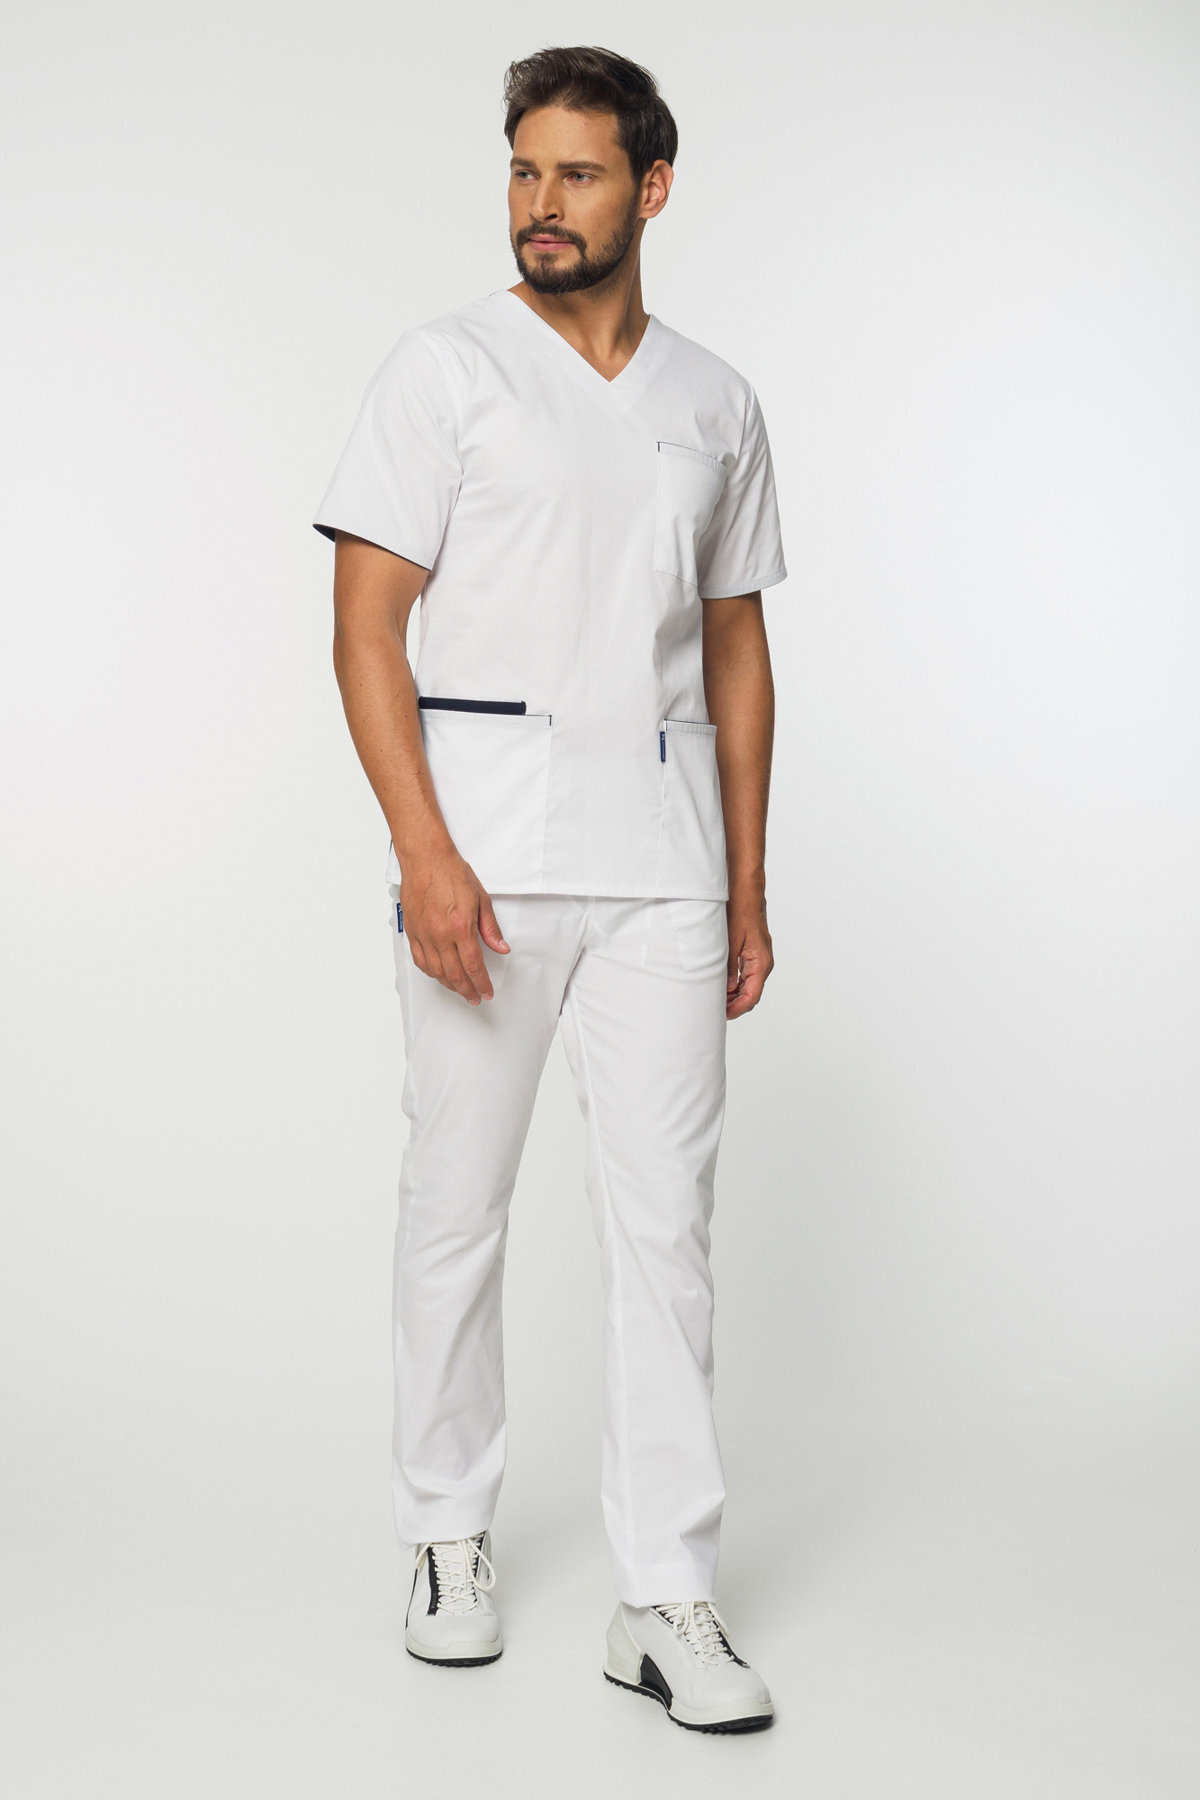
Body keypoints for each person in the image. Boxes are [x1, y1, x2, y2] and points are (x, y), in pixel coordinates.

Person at [312, 44, 787, 1735]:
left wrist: (745, 880)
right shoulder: (444, 371)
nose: (542, 204)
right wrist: (424, 852)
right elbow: (367, 628)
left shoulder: (716, 403)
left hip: (663, 869)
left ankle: (664, 1594)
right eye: (524, 171)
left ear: (650, 189)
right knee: (458, 1204)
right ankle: (447, 1536)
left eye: (577, 174)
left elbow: (737, 649)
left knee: (666, 1233)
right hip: (488, 866)